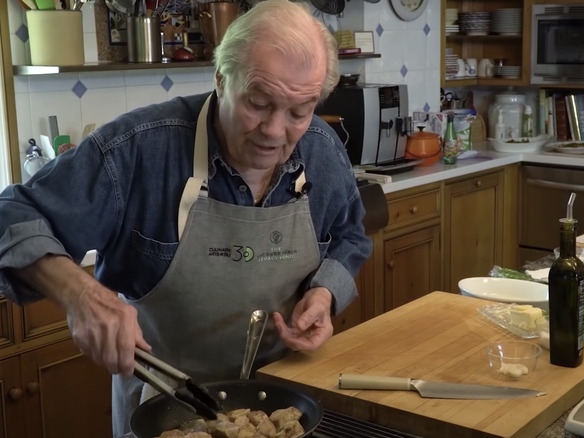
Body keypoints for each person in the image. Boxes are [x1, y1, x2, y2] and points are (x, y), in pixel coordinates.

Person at [0, 0, 372, 435]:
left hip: (281, 409)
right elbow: (12, 214)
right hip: (165, 412)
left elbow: (350, 235)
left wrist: (325, 294)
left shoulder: (323, 150)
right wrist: (80, 294)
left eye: (298, 111)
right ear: (220, 78)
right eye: (258, 102)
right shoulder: (139, 150)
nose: (275, 131)